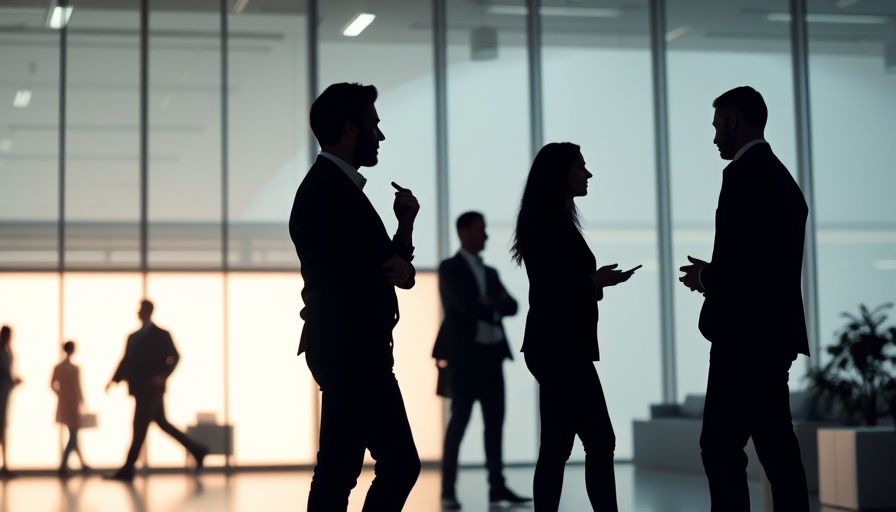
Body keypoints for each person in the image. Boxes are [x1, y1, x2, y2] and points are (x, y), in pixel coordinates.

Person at [289, 82, 421, 512]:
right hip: (354, 351)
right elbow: (387, 269)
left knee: (349, 469)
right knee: (368, 467)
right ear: (350, 129)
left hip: (350, 349)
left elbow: (387, 267)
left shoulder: (330, 189)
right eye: (374, 126)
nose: (380, 136)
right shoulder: (331, 193)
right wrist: (400, 263)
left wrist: (404, 230)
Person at [678, 86, 811, 512]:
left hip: (743, 341)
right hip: (775, 338)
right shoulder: (784, 180)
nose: (715, 137)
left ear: (733, 121)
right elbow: (769, 264)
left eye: (717, 126)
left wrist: (704, 275)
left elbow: (744, 270)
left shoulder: (742, 175)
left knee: (719, 447)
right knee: (777, 450)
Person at [510, 143, 637, 511]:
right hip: (561, 349)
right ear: (560, 173)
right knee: (600, 440)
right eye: (581, 166)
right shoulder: (549, 223)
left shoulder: (550, 220)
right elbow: (553, 289)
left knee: (556, 445)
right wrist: (594, 282)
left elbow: (555, 286)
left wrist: (595, 282)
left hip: (555, 347)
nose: (588, 173)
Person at [432, 211, 530, 509]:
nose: (485, 235)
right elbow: (464, 306)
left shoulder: (489, 272)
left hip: (492, 355)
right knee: (458, 424)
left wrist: (488, 303)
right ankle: (448, 490)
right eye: (480, 230)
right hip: (464, 359)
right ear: (463, 232)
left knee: (495, 425)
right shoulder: (449, 268)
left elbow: (513, 306)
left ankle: (497, 488)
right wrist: (492, 304)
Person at [104, 300, 208, 482]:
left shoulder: (162, 334)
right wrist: (114, 379)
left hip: (152, 389)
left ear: (148, 311)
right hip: (139, 388)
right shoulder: (133, 336)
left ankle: (128, 468)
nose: (137, 313)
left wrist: (163, 375)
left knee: (139, 427)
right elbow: (126, 359)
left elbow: (175, 356)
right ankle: (198, 450)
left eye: (140, 310)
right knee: (162, 423)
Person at [51, 340, 91, 476]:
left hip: (64, 403)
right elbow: (78, 387)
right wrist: (83, 402)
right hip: (72, 403)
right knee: (73, 435)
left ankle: (82, 463)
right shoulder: (74, 368)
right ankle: (63, 465)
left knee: (73, 434)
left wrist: (60, 394)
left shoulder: (59, 367)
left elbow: (52, 384)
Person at [0, 325, 23, 478]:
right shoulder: (4, 352)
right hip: (2, 393)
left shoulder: (8, 352)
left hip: (5, 394)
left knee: (3, 427)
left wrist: (13, 381)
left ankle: (5, 464)